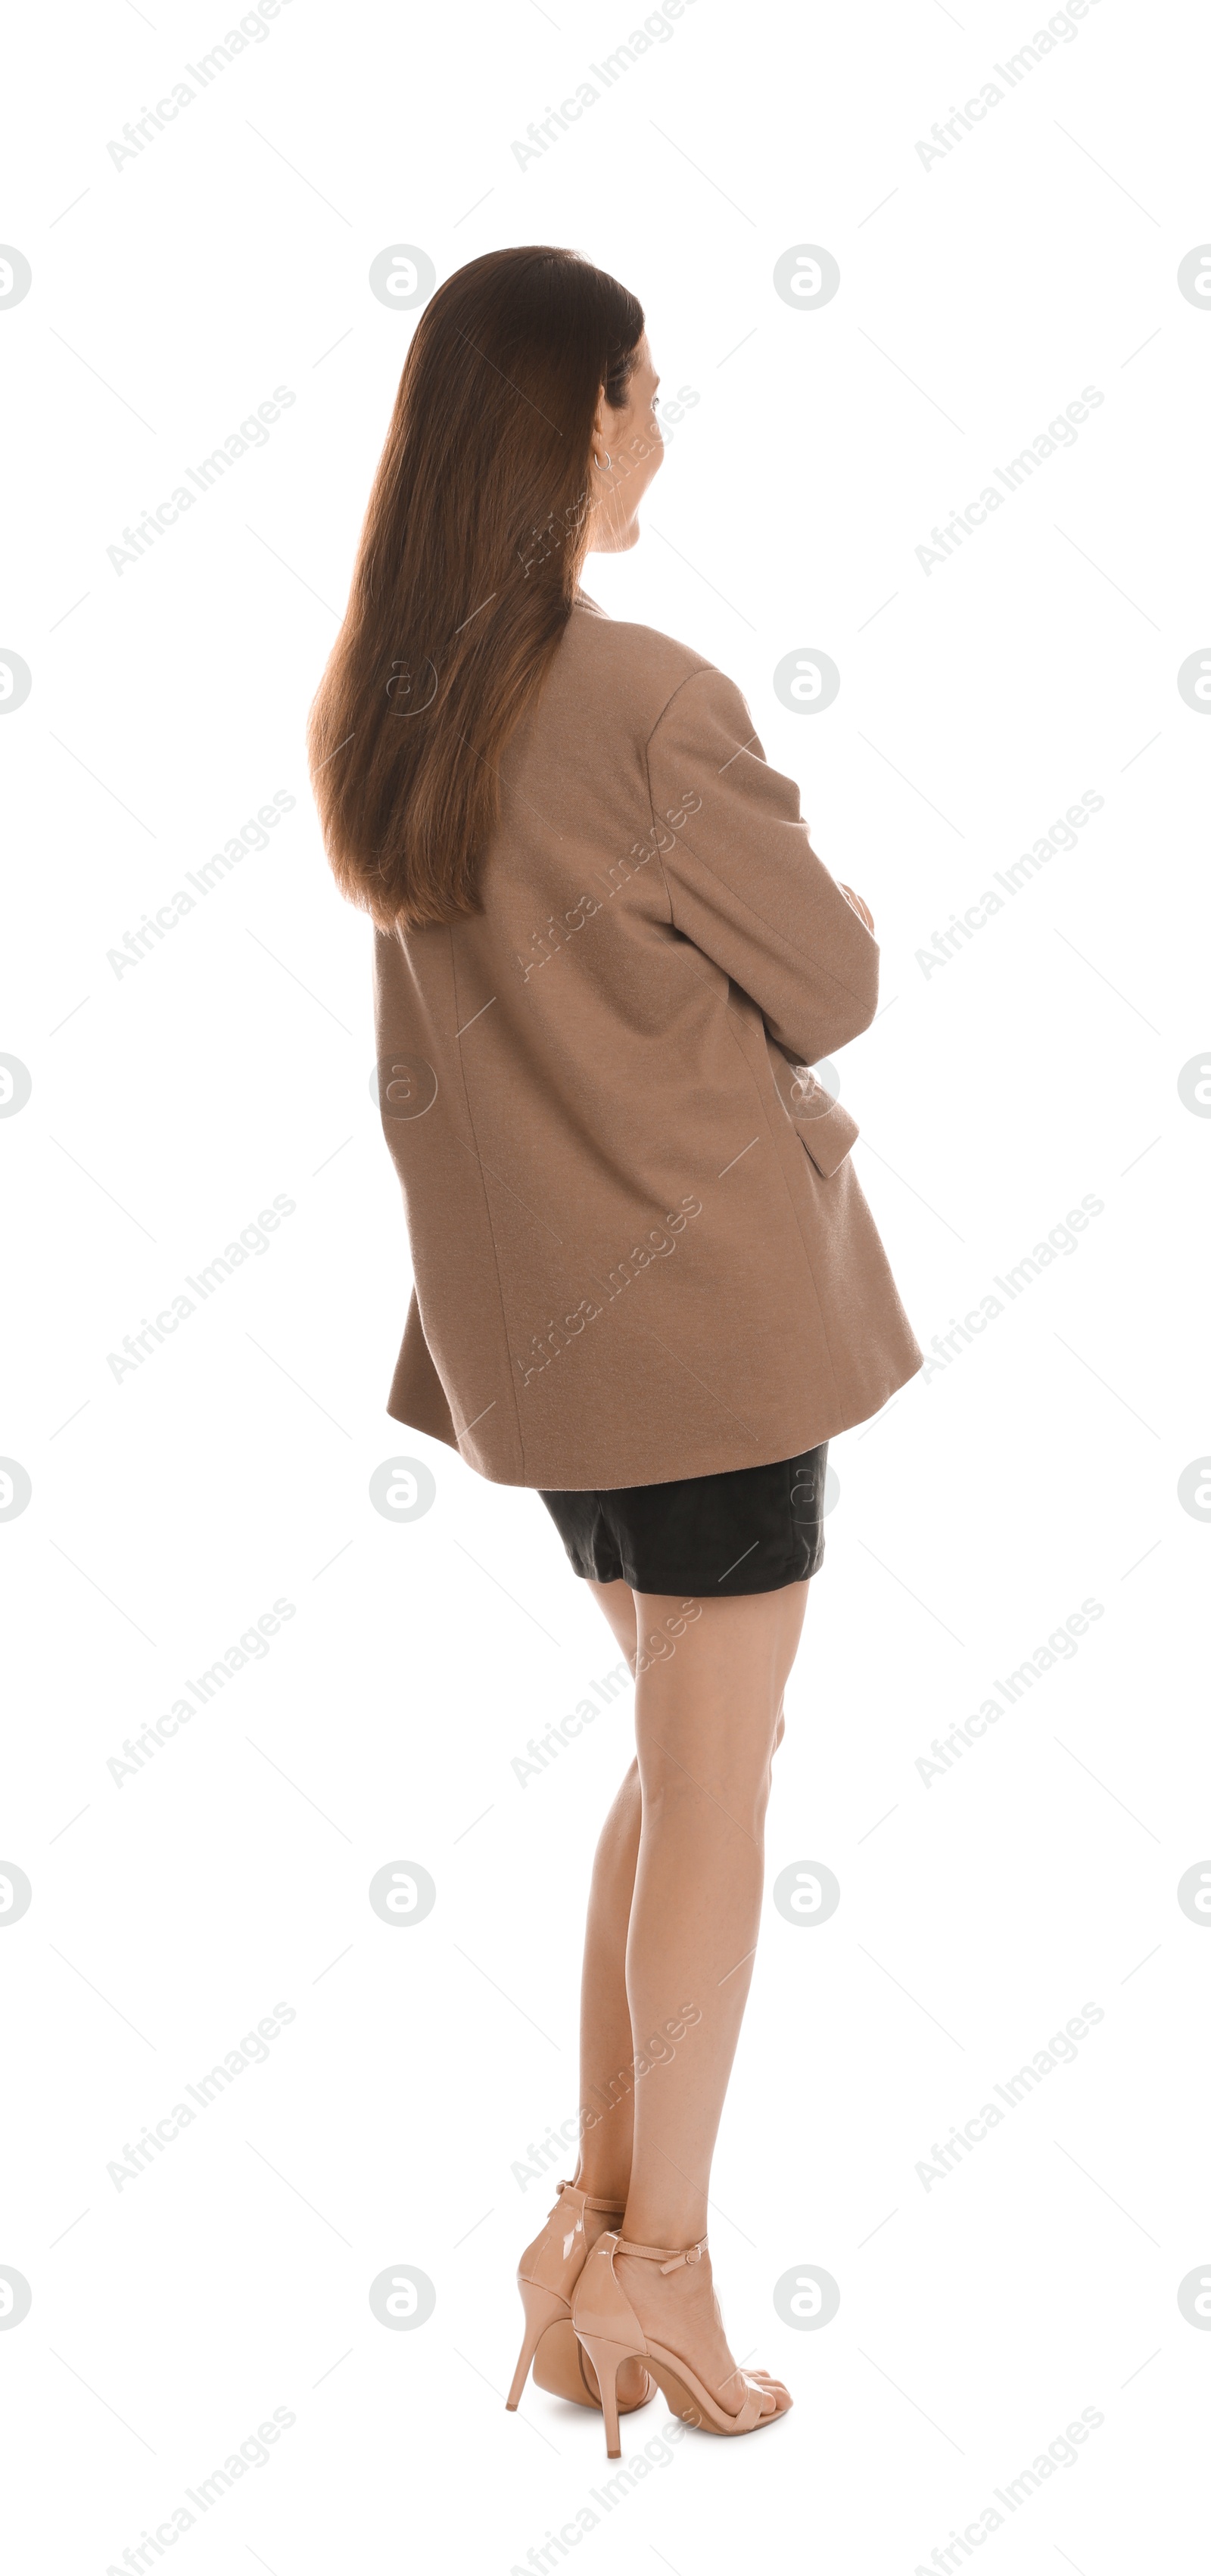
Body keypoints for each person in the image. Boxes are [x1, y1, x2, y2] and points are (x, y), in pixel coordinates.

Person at [307, 244, 921, 2459]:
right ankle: (657, 2268)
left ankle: (591, 2240)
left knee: (676, 1766)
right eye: (648, 389)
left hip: (545, 1351)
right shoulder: (647, 697)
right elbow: (833, 980)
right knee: (720, 1783)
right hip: (712, 1329)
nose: (666, 423)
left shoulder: (397, 702)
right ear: (578, 419)